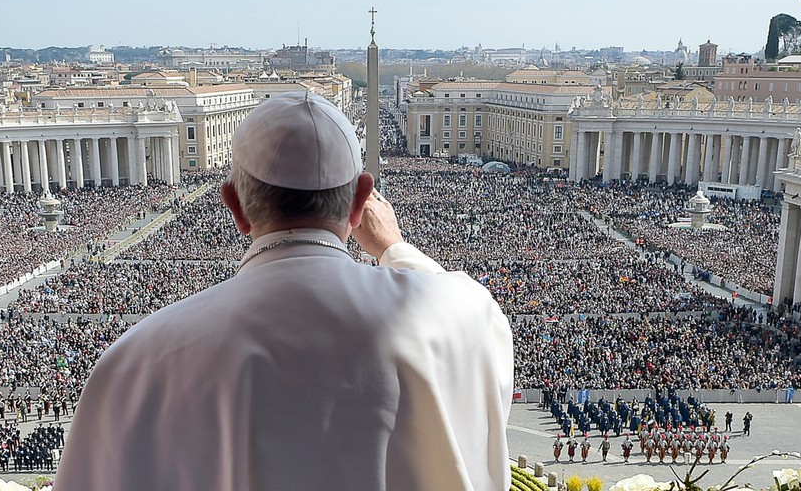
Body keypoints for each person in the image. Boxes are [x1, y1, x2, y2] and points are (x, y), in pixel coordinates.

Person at [55, 92, 514, 491]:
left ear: (234, 204)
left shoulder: (136, 360)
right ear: (360, 202)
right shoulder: (462, 316)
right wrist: (394, 248)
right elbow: (467, 308)